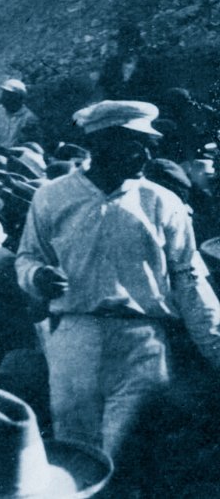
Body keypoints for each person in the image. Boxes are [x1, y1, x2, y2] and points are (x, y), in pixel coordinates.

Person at [15, 100, 220, 461]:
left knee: (131, 454)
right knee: (77, 454)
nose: (146, 152)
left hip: (143, 340)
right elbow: (28, 257)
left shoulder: (162, 202)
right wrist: (37, 276)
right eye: (134, 142)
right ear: (101, 143)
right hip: (73, 338)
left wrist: (215, 346)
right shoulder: (52, 196)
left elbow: (190, 283)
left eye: (149, 143)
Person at [0, 79, 37, 150]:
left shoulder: (29, 118)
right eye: (4, 94)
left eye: (9, 95)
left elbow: (28, 143)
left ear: (19, 98)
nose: (5, 97)